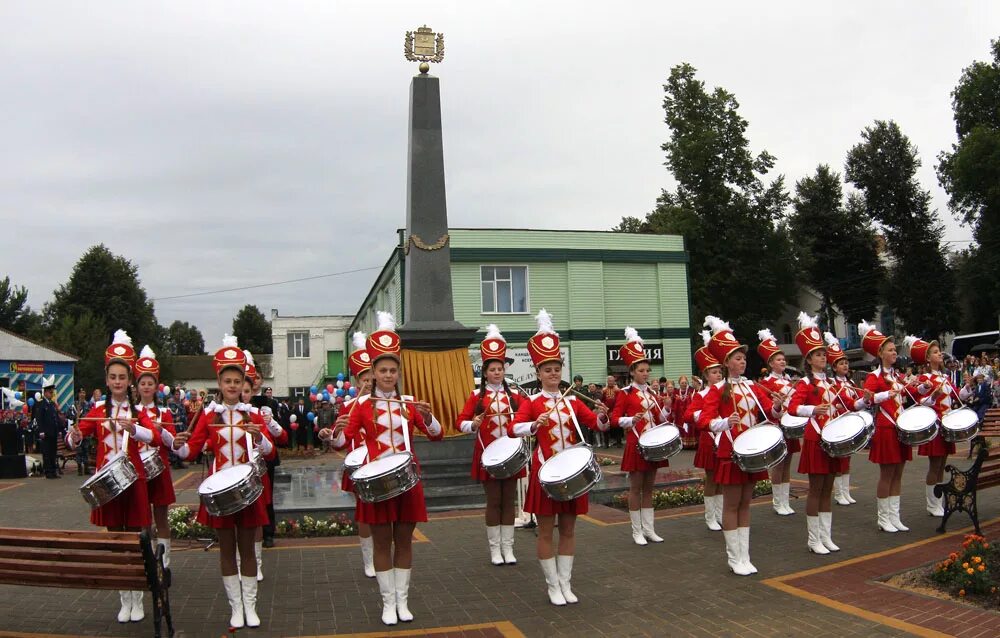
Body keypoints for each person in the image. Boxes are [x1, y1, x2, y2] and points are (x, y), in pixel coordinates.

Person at [342, 312, 444, 626]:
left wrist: (427, 417)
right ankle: (388, 603)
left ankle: (403, 601)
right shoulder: (361, 406)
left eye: (392, 370)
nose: (388, 375)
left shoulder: (409, 403)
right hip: (377, 484)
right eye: (382, 370)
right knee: (382, 541)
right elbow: (342, 440)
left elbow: (437, 434)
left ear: (399, 373)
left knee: (404, 540)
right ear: (372, 373)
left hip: (408, 482)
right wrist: (332, 434)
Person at [171, 336, 275, 629]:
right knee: (227, 550)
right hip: (221, 493)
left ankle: (251, 606)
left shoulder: (253, 414)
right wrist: (174, 443)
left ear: (244, 383)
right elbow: (190, 450)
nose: (231, 386)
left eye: (236, 381)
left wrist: (259, 436)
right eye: (226, 380)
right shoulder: (207, 415)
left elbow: (270, 451)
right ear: (219, 381)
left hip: (248, 491)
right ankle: (236, 607)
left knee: (248, 548)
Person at [510, 309, 609, 606]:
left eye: (557, 369)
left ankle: (566, 583)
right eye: (548, 370)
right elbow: (515, 428)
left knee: (568, 529)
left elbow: (596, 423)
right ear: (539, 373)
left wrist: (604, 417)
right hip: (546, 473)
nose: (553, 374)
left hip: (572, 473)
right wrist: (532, 425)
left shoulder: (573, 401)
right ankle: (552, 585)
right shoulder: (532, 402)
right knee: (545, 530)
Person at [66, 330, 161, 623]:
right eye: (113, 377)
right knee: (116, 540)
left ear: (129, 380)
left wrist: (134, 429)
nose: (118, 382)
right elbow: (76, 439)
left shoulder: (136, 410)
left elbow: (154, 436)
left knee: (136, 540)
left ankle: (138, 596)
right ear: (107, 380)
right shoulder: (97, 410)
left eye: (123, 377)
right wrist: (75, 435)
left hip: (134, 484)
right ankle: (124, 598)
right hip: (108, 485)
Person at [698, 316, 779, 576]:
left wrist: (778, 404)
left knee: (746, 503)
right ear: (725, 362)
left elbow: (769, 413)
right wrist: (724, 422)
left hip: (751, 451)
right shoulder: (716, 390)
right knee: (732, 504)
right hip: (730, 452)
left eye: (743, 358)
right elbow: (705, 421)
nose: (742, 361)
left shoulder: (753, 387)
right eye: (736, 358)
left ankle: (745, 555)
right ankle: (734, 557)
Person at [456, 325, 527, 565]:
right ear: (485, 372)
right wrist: (473, 423)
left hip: (511, 456)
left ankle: (509, 548)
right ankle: (495, 549)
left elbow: (524, 421)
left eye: (500, 368)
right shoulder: (476, 397)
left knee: (510, 501)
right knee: (494, 501)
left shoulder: (514, 397)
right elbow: (460, 422)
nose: (497, 372)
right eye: (492, 369)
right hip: (488, 455)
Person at [318, 331, 376, 577]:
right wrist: (329, 435)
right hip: (359, 465)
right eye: (364, 378)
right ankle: (369, 560)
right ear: (356, 380)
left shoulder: (389, 403)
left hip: (381, 461)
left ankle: (382, 554)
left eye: (371, 378)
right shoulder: (348, 407)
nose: (369, 383)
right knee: (364, 512)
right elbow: (340, 438)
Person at [787, 314, 841, 555]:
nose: (823, 357)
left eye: (824, 353)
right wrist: (812, 409)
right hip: (815, 439)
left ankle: (826, 536)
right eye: (818, 354)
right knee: (816, 488)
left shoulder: (832, 382)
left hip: (833, 439)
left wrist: (868, 400)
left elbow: (851, 403)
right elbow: (792, 408)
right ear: (809, 359)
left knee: (829, 488)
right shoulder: (805, 384)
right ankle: (813, 539)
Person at [611, 327, 669, 546]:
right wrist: (630, 420)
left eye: (647, 370)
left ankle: (650, 529)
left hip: (653, 445)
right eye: (642, 370)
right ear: (632, 372)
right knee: (636, 488)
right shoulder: (625, 394)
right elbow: (615, 418)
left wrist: (668, 409)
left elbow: (660, 419)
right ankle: (636, 531)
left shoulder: (652, 394)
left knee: (649, 488)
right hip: (636, 444)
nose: (646, 374)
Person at [905, 336, 974, 517]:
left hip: (947, 424)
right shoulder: (924, 378)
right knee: (934, 465)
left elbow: (958, 397)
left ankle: (938, 501)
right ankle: (932, 503)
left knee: (942, 464)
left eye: (939, 352)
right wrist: (933, 396)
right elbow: (922, 402)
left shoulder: (944, 377)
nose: (940, 355)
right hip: (935, 425)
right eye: (935, 353)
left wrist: (968, 386)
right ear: (927, 359)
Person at [859, 320, 911, 533]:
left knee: (899, 472)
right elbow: (867, 399)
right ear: (880, 353)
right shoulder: (874, 376)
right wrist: (881, 394)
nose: (894, 353)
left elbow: (906, 397)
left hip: (900, 427)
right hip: (886, 427)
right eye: (890, 350)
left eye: (894, 350)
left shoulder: (897, 376)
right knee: (887, 473)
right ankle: (883, 518)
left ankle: (894, 516)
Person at [133, 346, 178, 571]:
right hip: (138, 471)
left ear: (156, 386)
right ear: (138, 386)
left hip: (159, 469)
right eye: (143, 383)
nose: (147, 387)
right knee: (143, 520)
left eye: (150, 383)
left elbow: (173, 443)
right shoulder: (130, 412)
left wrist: (163, 432)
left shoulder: (164, 413)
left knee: (161, 518)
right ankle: (148, 563)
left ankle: (165, 565)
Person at [756, 328, 798, 516]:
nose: (782, 362)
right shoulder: (766, 383)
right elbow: (765, 411)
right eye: (778, 360)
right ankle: (777, 501)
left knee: (788, 463)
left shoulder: (789, 381)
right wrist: (777, 406)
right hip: (777, 427)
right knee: (778, 464)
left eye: (783, 359)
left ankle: (785, 500)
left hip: (790, 426)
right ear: (771, 363)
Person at [823, 332, 868, 506]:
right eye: (841, 363)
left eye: (846, 362)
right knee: (839, 459)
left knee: (848, 458)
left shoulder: (849, 384)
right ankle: (839, 493)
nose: (845, 366)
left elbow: (854, 401)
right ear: (834, 367)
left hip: (850, 421)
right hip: (837, 422)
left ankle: (846, 491)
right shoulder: (832, 384)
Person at [687, 330, 724, 531]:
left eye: (719, 371)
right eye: (714, 372)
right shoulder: (701, 394)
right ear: (705, 375)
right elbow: (688, 415)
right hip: (709, 439)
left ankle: (720, 514)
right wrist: (705, 417)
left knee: (722, 478)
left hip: (724, 438)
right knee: (711, 478)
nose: (718, 374)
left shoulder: (726, 392)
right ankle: (710, 516)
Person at [34, 376, 62, 479]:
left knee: (53, 453)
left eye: (52, 392)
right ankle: (48, 472)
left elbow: (55, 418)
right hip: (46, 433)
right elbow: (39, 418)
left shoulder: (51, 404)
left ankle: (53, 471)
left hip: (53, 432)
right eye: (50, 392)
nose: (52, 394)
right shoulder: (42, 404)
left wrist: (58, 429)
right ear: (45, 392)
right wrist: (41, 431)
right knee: (47, 453)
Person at [673, 376, 695, 449]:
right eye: (682, 383)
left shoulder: (691, 391)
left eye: (685, 383)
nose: (684, 384)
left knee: (689, 427)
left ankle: (690, 444)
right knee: (680, 428)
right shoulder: (675, 392)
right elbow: (672, 402)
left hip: (688, 412)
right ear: (679, 383)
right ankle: (681, 443)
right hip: (679, 414)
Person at [602, 375, 622, 447]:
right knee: (606, 427)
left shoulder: (618, 390)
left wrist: (615, 411)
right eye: (609, 381)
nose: (611, 382)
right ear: (607, 381)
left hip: (616, 411)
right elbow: (602, 400)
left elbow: (620, 401)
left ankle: (619, 443)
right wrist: (605, 409)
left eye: (612, 381)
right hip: (606, 411)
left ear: (614, 382)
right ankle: (606, 444)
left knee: (617, 427)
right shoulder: (604, 390)